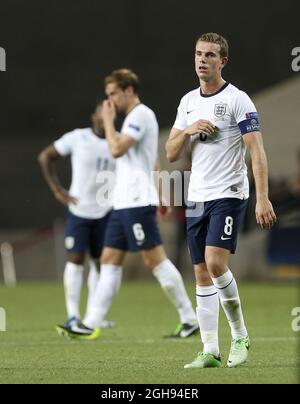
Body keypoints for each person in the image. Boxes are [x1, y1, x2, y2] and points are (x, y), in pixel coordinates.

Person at [166, 33, 276, 368]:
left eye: (210, 55)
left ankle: (240, 334)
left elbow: (256, 151)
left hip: (228, 193)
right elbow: (171, 153)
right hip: (196, 196)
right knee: (200, 271)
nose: (202, 60)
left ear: (222, 61)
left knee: (215, 263)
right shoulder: (187, 102)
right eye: (198, 54)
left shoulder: (238, 100)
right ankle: (210, 349)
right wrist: (188, 130)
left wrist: (262, 198)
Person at [64, 68, 198, 340]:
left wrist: (109, 121)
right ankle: (90, 323)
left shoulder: (140, 115)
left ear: (129, 90)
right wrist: (160, 193)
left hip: (136, 201)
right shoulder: (132, 119)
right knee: (109, 259)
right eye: (107, 96)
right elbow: (152, 160)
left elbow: (116, 149)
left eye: (113, 94)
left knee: (154, 260)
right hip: (122, 202)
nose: (109, 101)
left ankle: (189, 317)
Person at [38, 103, 116, 339]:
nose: (107, 113)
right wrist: (57, 190)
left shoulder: (119, 141)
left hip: (107, 212)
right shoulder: (78, 137)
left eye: (111, 110)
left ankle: (93, 316)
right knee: (75, 260)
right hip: (79, 210)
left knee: (101, 263)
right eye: (104, 109)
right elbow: (45, 156)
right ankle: (73, 314)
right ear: (94, 116)